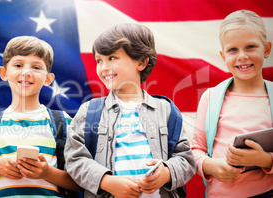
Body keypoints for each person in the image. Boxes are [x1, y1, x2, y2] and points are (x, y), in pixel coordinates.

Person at [64, 23, 196, 198]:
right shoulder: (89, 111)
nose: (103, 67)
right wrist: (105, 181)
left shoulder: (166, 110)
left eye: (112, 58)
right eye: (99, 60)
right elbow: (74, 159)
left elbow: (186, 159)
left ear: (141, 62)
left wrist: (167, 172)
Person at [0, 36, 80, 198]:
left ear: (48, 79)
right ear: (4, 73)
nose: (26, 72)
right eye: (18, 65)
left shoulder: (64, 123)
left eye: (36, 67)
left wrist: (47, 172)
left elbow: (80, 184)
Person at [191, 10, 273, 197]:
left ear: (267, 49)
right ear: (223, 56)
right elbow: (196, 150)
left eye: (250, 47)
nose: (242, 56)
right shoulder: (210, 98)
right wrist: (211, 166)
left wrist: (265, 160)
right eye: (233, 50)